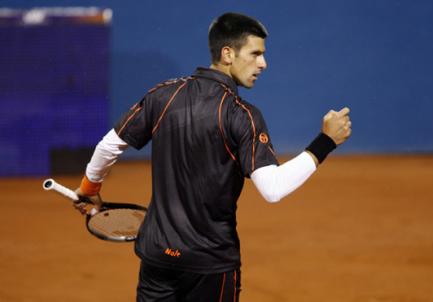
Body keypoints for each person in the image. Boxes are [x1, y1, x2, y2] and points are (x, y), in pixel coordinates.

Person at [74, 12, 351, 302]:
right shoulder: (241, 115)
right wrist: (325, 142)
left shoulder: (163, 95)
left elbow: (108, 147)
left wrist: (89, 189)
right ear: (228, 54)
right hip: (210, 264)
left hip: (157, 257)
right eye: (255, 54)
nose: (263, 63)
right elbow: (273, 189)